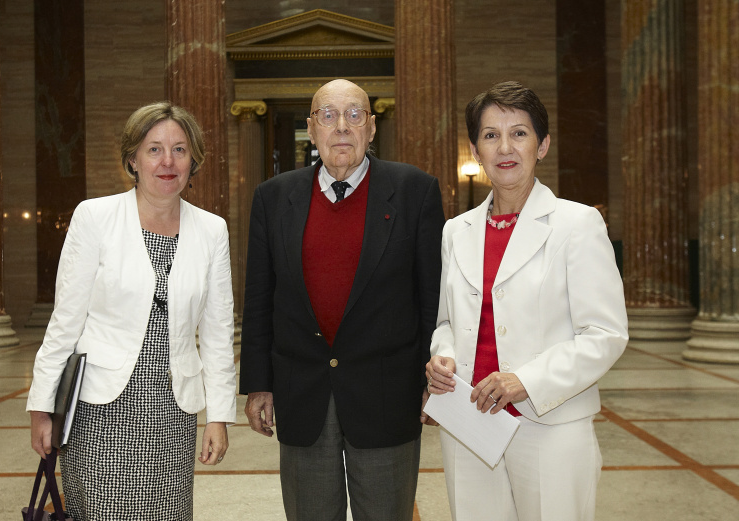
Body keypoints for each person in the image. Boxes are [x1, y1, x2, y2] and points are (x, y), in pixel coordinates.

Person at [240, 79, 445, 520]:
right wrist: (259, 383)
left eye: (354, 115)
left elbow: (432, 298)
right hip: (303, 395)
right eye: (328, 116)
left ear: (371, 128)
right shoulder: (272, 197)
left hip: (388, 396)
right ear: (312, 128)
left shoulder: (415, 191)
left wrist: (432, 380)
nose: (342, 127)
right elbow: (259, 299)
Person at [424, 81, 628, 521]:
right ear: (475, 150)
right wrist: (442, 357)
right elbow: (445, 322)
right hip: (470, 424)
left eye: (519, 133)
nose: (505, 147)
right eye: (490, 135)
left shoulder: (577, 224)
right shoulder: (456, 231)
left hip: (549, 426)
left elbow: (605, 334)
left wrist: (526, 380)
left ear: (543, 145)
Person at [26, 102, 236, 520]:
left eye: (179, 149)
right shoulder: (95, 217)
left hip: (172, 412)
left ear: (193, 160)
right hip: (100, 410)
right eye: (154, 149)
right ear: (133, 159)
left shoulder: (212, 230)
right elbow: (65, 320)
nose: (167, 161)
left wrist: (219, 417)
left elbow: (217, 332)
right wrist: (41, 407)